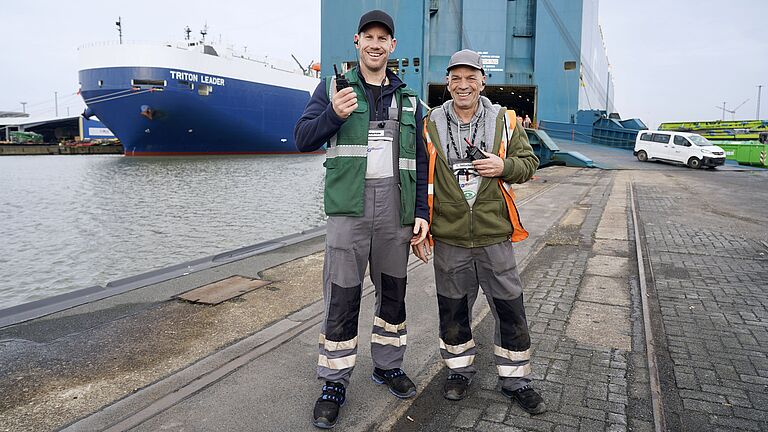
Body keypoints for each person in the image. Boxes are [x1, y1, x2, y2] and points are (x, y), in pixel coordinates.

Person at [294, 9, 429, 429]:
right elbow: (302, 139)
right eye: (368, 37)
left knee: (393, 293)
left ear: (393, 46)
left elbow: (421, 160)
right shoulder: (333, 87)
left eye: (382, 38)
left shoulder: (410, 99)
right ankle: (334, 381)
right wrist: (333, 114)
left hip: (395, 209)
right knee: (342, 295)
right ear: (357, 42)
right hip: (347, 210)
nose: (375, 44)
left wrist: (421, 212)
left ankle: (388, 365)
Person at [412, 49, 546, 414]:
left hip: (493, 234)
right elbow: (418, 177)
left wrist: (503, 166)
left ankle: (515, 380)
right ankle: (459, 371)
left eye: (471, 77)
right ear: (448, 83)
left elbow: (529, 163)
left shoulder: (505, 121)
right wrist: (419, 224)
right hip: (450, 236)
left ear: (483, 81)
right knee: (453, 309)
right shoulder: (429, 123)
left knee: (509, 307)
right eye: (456, 78)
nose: (463, 85)